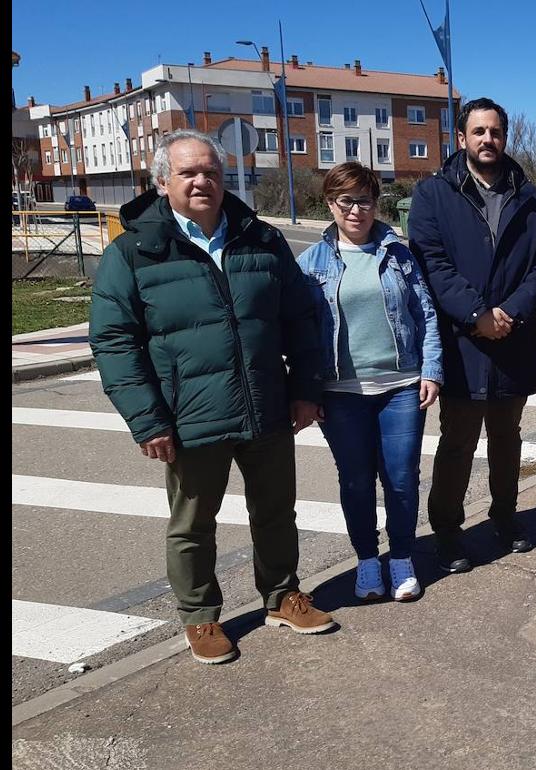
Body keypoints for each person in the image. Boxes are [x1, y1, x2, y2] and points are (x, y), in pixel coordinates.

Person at [89, 129, 334, 665]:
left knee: (275, 511)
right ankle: (200, 617)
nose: (202, 181)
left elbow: (300, 320)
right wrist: (147, 420)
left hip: (266, 405)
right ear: (161, 182)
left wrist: (304, 391)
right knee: (193, 524)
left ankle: (282, 596)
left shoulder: (261, 240)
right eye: (189, 173)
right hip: (188, 417)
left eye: (212, 172)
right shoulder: (133, 252)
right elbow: (113, 341)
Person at [407, 97, 536, 573]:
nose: (487, 140)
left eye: (495, 132)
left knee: (507, 439)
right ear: (462, 138)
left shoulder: (531, 196)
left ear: (505, 137)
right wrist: (476, 313)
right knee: (457, 444)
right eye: (478, 132)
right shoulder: (434, 193)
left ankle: (505, 517)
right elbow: (430, 262)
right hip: (462, 342)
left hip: (513, 340)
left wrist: (510, 312)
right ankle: (448, 533)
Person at [296, 162, 442, 603]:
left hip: (400, 386)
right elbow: (298, 332)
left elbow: (426, 314)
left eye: (365, 200)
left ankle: (401, 558)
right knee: (356, 481)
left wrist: (432, 370)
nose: (356, 210)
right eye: (346, 201)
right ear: (330, 204)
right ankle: (366, 560)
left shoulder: (399, 253)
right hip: (341, 393)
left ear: (376, 203)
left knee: (400, 478)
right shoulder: (311, 262)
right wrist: (306, 388)